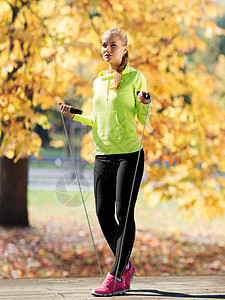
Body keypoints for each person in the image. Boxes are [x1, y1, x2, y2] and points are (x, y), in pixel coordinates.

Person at [59, 27, 151, 297]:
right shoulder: (98, 81)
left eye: (113, 45)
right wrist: (74, 116)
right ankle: (126, 267)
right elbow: (97, 119)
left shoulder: (136, 78)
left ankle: (115, 275)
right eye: (104, 45)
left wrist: (144, 102)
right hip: (102, 154)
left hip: (129, 155)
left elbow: (143, 118)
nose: (107, 49)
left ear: (124, 49)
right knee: (102, 213)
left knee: (123, 215)